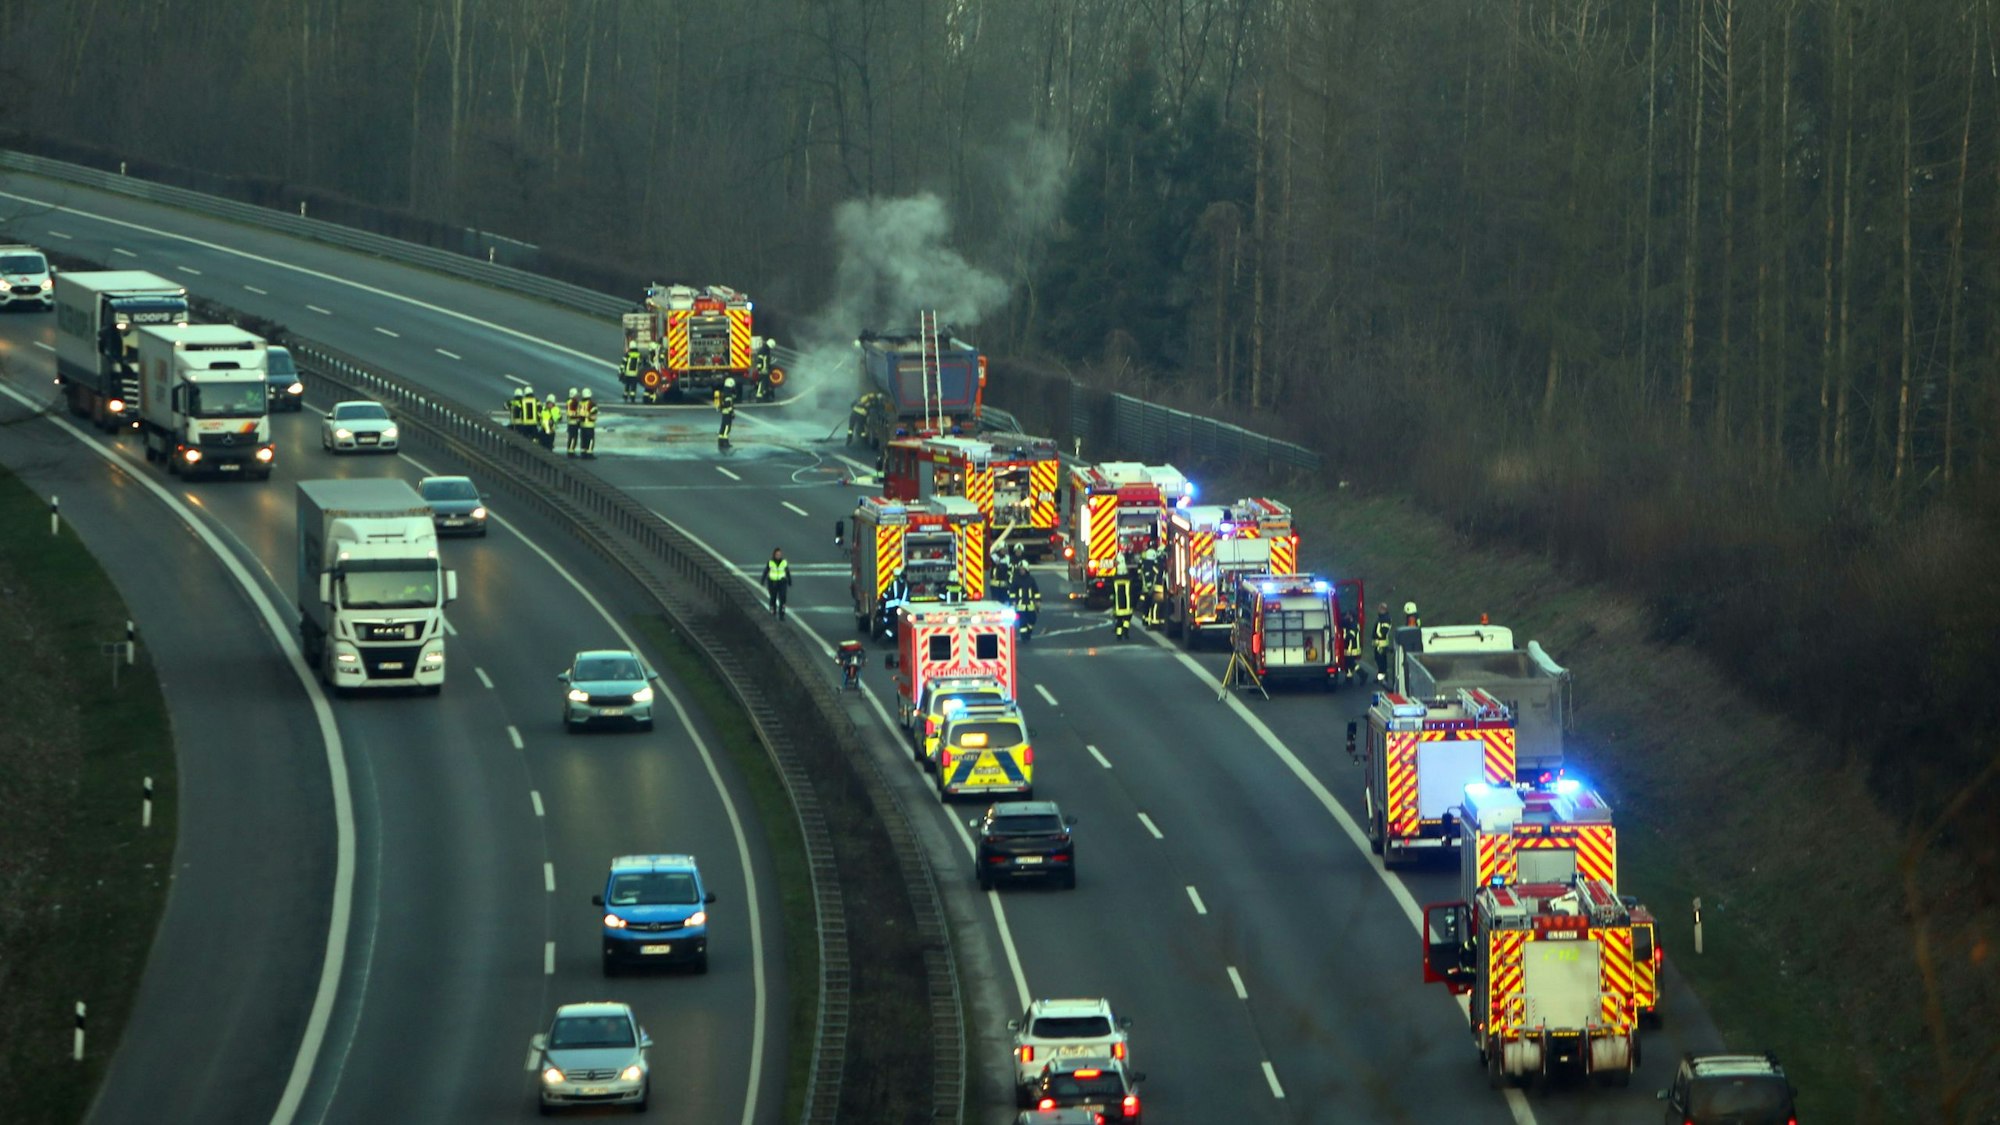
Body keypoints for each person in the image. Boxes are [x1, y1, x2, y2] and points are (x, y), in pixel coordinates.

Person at [1014, 567, 1041, 643]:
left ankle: (1029, 631)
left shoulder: (1031, 579)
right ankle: (1024, 637)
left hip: (1030, 604)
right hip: (1020, 605)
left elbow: (1036, 591)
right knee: (1022, 622)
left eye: (1023, 569)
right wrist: (1013, 601)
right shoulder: (1016, 580)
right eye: (1020, 570)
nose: (1021, 571)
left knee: (1032, 619)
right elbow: (1012, 591)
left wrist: (1038, 601)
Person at [1111, 556, 1135, 640]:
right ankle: (1126, 632)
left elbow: (1113, 592)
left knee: (1119, 621)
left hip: (1118, 606)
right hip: (1128, 605)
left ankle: (1119, 635)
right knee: (1127, 620)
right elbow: (1132, 591)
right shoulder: (1129, 579)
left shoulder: (1115, 579)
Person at [765, 547, 791, 620]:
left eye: (779, 554)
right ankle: (772, 612)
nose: (778, 556)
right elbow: (766, 571)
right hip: (773, 582)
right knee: (773, 598)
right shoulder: (770, 562)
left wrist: (789, 580)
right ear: (774, 555)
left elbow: (787, 571)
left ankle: (781, 614)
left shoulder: (784, 562)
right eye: (777, 554)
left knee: (783, 597)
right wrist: (763, 580)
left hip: (782, 582)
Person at [715, 375, 739, 449]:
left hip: (724, 412)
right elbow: (728, 404)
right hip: (727, 412)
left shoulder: (724, 392)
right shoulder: (728, 394)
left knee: (723, 426)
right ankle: (725, 441)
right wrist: (732, 412)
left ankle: (720, 440)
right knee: (727, 427)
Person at [1372, 602, 1393, 682]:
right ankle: (1382, 677)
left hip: (1381, 644)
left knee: (1381, 661)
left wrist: (1379, 635)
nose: (1378, 610)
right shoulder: (1381, 618)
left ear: (1383, 610)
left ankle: (1382, 678)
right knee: (1379, 660)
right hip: (1379, 644)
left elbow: (1384, 631)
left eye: (1380, 608)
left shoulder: (1385, 619)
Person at [577, 388, 599, 458]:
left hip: (582, 425)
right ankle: (589, 453)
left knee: (583, 440)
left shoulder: (580, 403)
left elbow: (578, 413)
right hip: (589, 425)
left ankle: (583, 453)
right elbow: (594, 413)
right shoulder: (591, 404)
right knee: (590, 440)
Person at [565, 388, 583, 457]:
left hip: (574, 422)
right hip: (573, 423)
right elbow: (570, 413)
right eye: (576, 395)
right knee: (572, 438)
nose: (577, 396)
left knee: (574, 438)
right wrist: (578, 414)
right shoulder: (571, 402)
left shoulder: (573, 402)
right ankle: (571, 452)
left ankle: (571, 451)